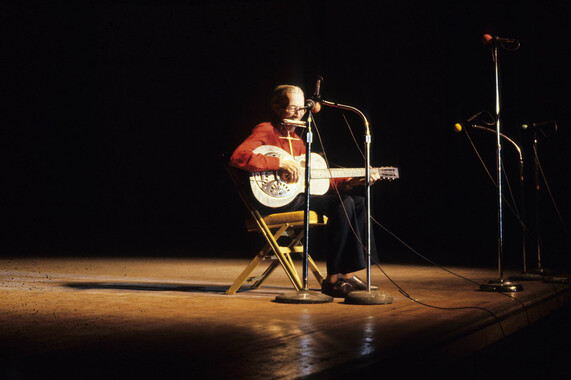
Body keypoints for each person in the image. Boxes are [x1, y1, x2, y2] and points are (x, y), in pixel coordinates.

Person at [230, 84, 381, 298]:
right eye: (293, 108)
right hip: (274, 199)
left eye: (302, 109)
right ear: (277, 107)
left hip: (297, 196)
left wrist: (350, 181)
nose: (299, 114)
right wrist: (277, 164)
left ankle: (346, 273)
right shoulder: (266, 130)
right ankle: (332, 279)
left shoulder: (300, 141)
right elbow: (237, 157)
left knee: (356, 200)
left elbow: (315, 182)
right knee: (342, 203)